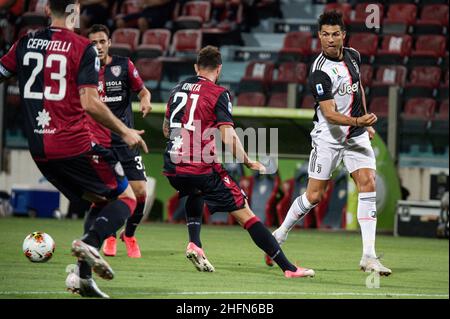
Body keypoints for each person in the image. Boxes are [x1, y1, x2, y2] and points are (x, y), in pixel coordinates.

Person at [0, 0, 148, 298]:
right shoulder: (83, 48)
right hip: (74, 144)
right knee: (126, 197)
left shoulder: (25, 42)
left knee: (100, 199)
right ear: (75, 11)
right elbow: (90, 103)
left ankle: (82, 279)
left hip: (39, 150)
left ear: (46, 10)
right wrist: (125, 130)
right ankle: (91, 243)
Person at [162, 45, 315, 278]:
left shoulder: (175, 90)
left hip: (172, 167)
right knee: (246, 213)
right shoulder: (218, 93)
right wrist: (246, 161)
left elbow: (166, 130)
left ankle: (195, 243)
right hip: (200, 166)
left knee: (194, 191)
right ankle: (288, 268)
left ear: (196, 67)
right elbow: (228, 136)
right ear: (219, 69)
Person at [270, 10, 391, 276]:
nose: (330, 39)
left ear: (343, 36)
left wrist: (365, 122)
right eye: (325, 34)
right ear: (319, 37)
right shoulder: (319, 72)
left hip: (356, 136)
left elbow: (358, 89)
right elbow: (330, 115)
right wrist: (360, 122)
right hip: (329, 138)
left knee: (367, 182)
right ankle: (279, 234)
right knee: (314, 196)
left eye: (335, 34)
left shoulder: (354, 56)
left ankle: (369, 256)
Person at [87, 24, 152, 258]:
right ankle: (111, 236)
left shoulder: (124, 65)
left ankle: (130, 234)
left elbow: (143, 91)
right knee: (109, 194)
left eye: (102, 41)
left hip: (126, 138)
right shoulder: (85, 71)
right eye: (93, 43)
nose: (99, 47)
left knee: (141, 191)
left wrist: (145, 100)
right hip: (99, 141)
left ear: (109, 42)